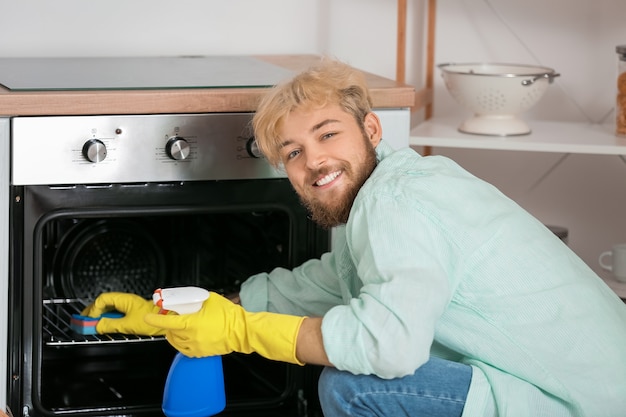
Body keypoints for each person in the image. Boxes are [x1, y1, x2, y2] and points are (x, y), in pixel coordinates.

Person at [82, 58, 626, 417]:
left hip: (583, 404)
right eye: (293, 153)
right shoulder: (394, 186)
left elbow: (386, 346)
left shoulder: (395, 203)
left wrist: (242, 332)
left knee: (349, 386)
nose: (314, 159)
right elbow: (327, 283)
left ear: (370, 130)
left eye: (327, 134)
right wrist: (185, 310)